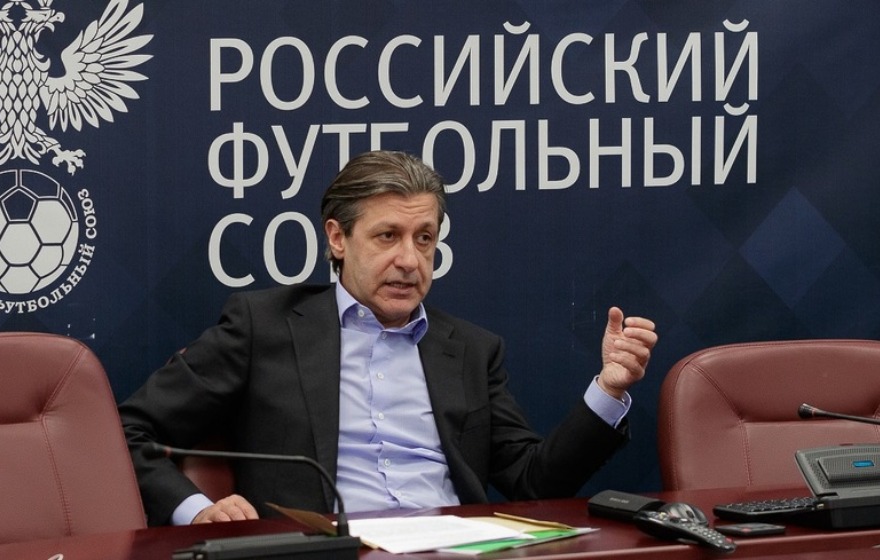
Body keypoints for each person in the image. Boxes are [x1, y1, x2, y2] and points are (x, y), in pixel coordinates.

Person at [119, 150, 658, 526]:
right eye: (387, 236)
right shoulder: (264, 326)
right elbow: (129, 431)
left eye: (424, 239)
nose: (409, 260)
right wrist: (197, 510)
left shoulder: (472, 350)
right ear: (337, 238)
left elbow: (534, 484)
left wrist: (608, 390)